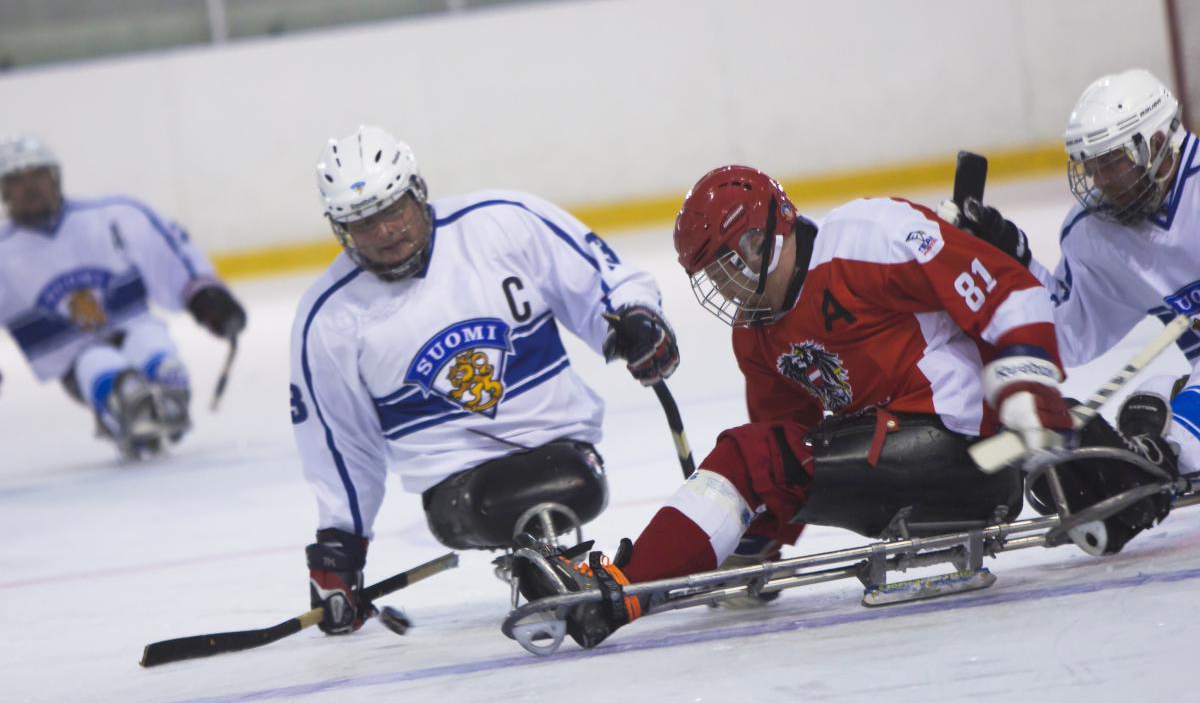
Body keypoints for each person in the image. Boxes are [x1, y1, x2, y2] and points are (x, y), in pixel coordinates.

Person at [513, 164, 1176, 649]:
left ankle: (620, 590)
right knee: (756, 450)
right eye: (712, 276)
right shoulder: (755, 333)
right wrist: (748, 545)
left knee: (747, 454)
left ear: (766, 233)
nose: (725, 285)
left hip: (964, 446)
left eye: (731, 264)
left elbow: (1013, 294)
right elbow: (785, 450)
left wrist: (1031, 395)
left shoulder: (869, 235)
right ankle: (1125, 450)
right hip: (901, 470)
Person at [289, 124, 679, 636]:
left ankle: (552, 574)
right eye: (363, 223)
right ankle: (547, 575)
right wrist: (338, 553)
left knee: (571, 482)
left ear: (418, 192)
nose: (384, 231)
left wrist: (637, 319)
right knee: (501, 502)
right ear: (341, 229)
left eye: (393, 209)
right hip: (458, 488)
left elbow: (602, 280)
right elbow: (343, 446)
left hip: (563, 451)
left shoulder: (502, 223)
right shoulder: (330, 319)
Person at [949, 68, 1200, 479]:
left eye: (1113, 162)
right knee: (1146, 420)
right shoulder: (1095, 233)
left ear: (1157, 143)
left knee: (1179, 448)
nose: (1100, 180)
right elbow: (1069, 334)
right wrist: (1011, 256)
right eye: (1092, 166)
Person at [0, 134, 246, 458]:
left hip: (135, 328)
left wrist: (205, 296)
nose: (30, 187)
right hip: (74, 358)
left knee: (156, 354)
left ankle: (169, 396)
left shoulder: (114, 215)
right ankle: (126, 406)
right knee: (101, 368)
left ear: (56, 177)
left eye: (38, 175)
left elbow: (172, 251)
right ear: (4, 191)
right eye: (17, 180)